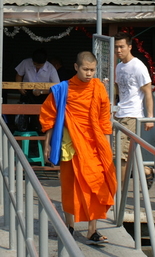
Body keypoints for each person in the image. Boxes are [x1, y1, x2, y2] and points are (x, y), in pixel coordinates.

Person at [40, 51, 116, 244]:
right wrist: (47, 144)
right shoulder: (63, 90)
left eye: (92, 70)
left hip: (94, 145)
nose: (89, 73)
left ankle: (92, 230)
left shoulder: (98, 88)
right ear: (76, 67)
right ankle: (69, 226)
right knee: (70, 186)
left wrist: (107, 148)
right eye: (85, 69)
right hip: (71, 146)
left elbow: (104, 119)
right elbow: (49, 116)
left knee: (96, 186)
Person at [114, 32, 155, 180]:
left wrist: (150, 117)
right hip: (119, 113)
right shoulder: (119, 67)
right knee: (118, 151)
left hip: (133, 114)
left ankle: (120, 190)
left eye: (122, 47)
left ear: (130, 47)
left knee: (121, 154)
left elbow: (148, 91)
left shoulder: (138, 66)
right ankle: (146, 171)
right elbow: (118, 89)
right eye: (116, 47)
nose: (119, 50)